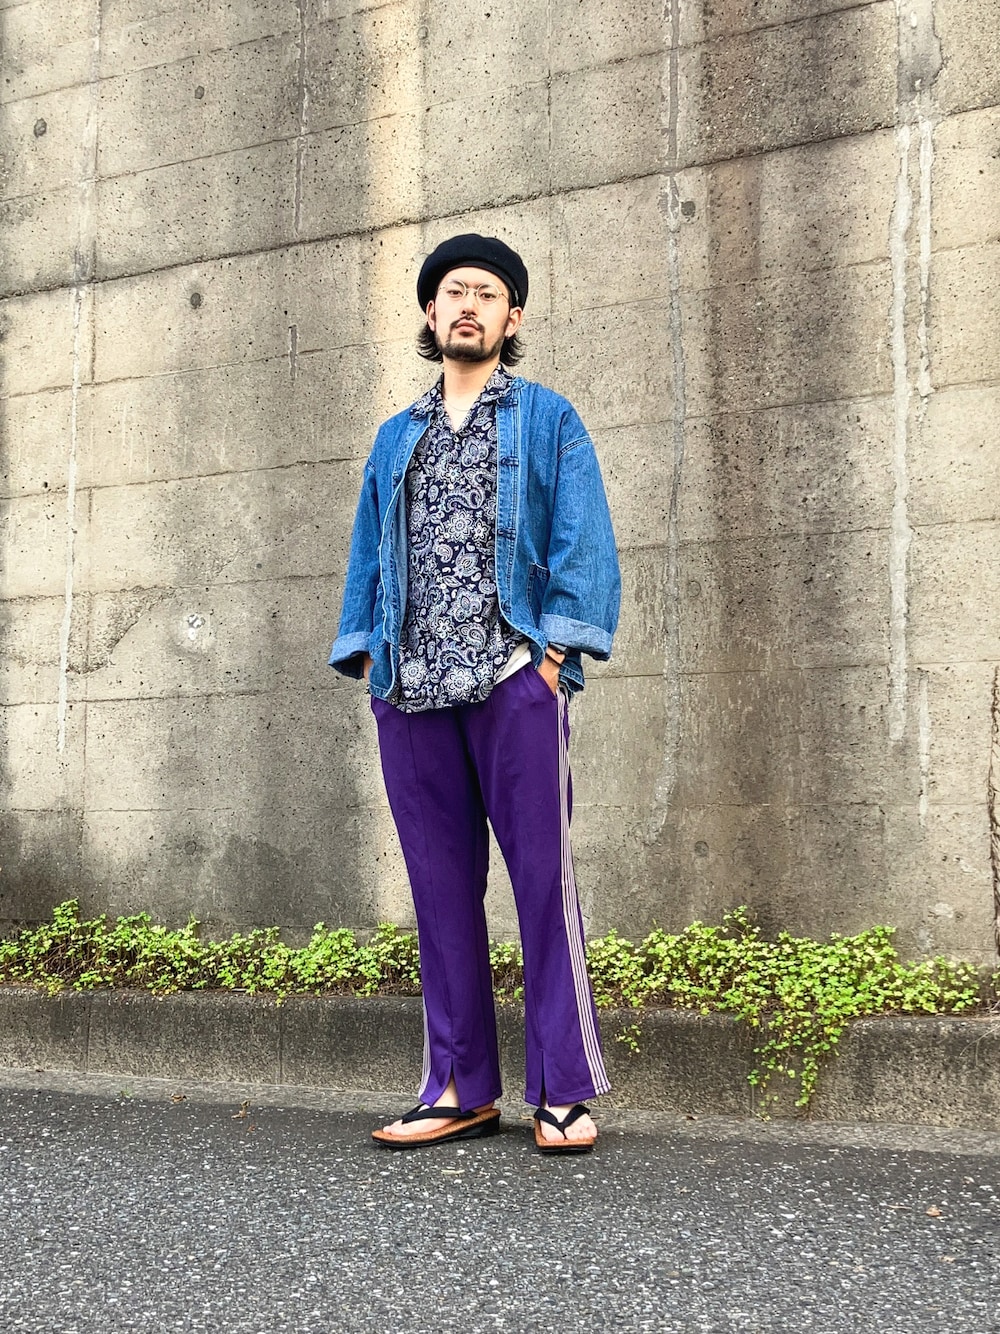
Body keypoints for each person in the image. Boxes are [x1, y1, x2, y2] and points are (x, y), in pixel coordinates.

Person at [329, 234, 620, 1153]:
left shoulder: (547, 419)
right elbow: (369, 551)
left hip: (510, 678)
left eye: (487, 294)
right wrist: (368, 656)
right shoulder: (396, 436)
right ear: (430, 312)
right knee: (439, 890)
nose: (468, 305)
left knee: (542, 883)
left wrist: (554, 653)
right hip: (412, 688)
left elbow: (583, 536)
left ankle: (563, 1090)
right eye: (453, 291)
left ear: (511, 317)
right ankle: (459, 1086)